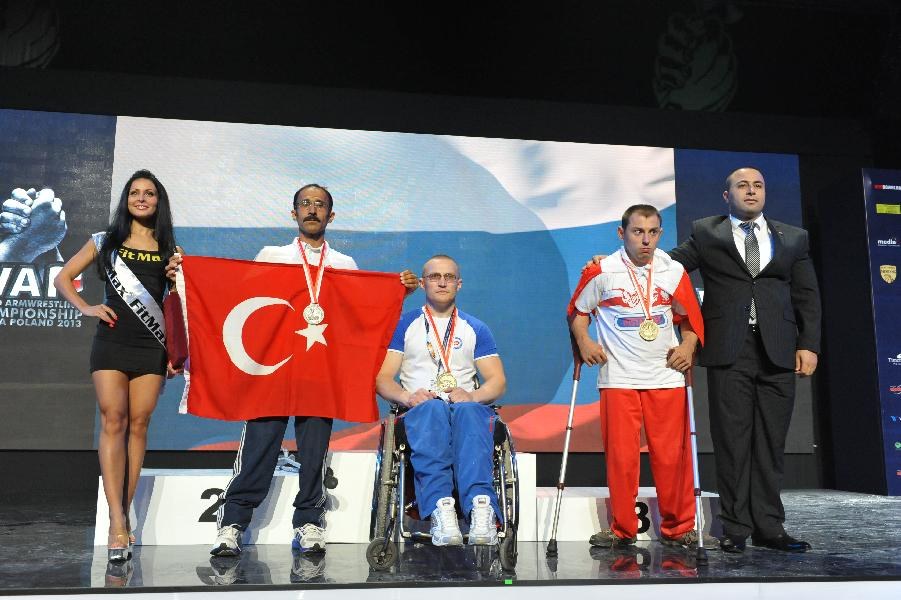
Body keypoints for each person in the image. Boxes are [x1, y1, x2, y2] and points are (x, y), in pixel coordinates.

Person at [167, 183, 419, 557]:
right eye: (305, 204)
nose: (312, 210)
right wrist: (188, 276)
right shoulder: (272, 254)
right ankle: (233, 523)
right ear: (294, 213)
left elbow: (359, 313)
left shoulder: (344, 264)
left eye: (320, 205)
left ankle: (309, 523)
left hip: (319, 372)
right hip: (273, 371)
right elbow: (236, 296)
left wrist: (397, 292)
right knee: (257, 447)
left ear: (330, 216)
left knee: (314, 452)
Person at [667, 167, 821, 553]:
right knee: (732, 441)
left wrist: (809, 344)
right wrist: (618, 261)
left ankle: (770, 526)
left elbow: (807, 295)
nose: (751, 191)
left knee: (770, 442)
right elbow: (668, 267)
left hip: (778, 350)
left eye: (758, 186)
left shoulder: (792, 237)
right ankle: (735, 527)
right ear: (727, 196)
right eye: (742, 186)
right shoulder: (707, 232)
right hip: (728, 349)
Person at [54, 169, 179, 562]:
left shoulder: (169, 247)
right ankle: (117, 523)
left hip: (150, 347)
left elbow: (178, 307)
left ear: (159, 202)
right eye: (135, 192)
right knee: (113, 420)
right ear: (126, 199)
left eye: (150, 194)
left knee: (139, 425)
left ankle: (122, 514)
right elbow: (63, 277)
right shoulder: (104, 242)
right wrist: (86, 306)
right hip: (111, 341)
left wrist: (180, 281)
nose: (142, 198)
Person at [569, 204, 705, 549]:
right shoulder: (601, 271)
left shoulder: (673, 271)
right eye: (637, 232)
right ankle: (622, 529)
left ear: (660, 234)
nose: (646, 240)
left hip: (666, 376)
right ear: (622, 233)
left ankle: (679, 528)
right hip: (619, 379)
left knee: (672, 457)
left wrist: (688, 346)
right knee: (621, 459)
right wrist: (585, 340)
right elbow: (578, 312)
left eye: (653, 232)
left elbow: (690, 320)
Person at [375, 254, 507, 546]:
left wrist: (472, 396)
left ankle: (480, 509)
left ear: (459, 284)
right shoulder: (405, 325)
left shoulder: (475, 328)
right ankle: (441, 510)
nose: (442, 282)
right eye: (435, 277)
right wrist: (407, 397)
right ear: (422, 284)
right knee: (433, 408)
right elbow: (383, 379)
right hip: (421, 410)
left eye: (449, 277)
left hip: (463, 410)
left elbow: (497, 381)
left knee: (471, 411)